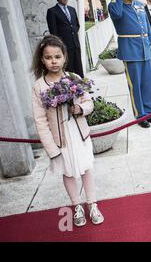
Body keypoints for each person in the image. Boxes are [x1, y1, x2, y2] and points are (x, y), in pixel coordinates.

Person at [31, 35, 104, 227]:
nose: (53, 61)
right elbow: (40, 120)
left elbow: (89, 102)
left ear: (64, 57)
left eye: (57, 56)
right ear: (42, 59)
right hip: (60, 139)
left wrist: (80, 109)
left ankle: (92, 203)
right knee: (69, 172)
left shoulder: (74, 79)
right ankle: (76, 204)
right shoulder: (39, 86)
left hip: (78, 133)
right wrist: (51, 148)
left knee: (86, 167)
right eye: (48, 57)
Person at [108, 0, 151, 128]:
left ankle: (149, 113)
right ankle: (140, 115)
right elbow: (117, 15)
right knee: (135, 85)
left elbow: (147, 25)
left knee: (146, 83)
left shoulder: (138, 5)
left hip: (144, 48)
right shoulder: (115, 6)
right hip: (130, 50)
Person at [46, 0, 84, 78]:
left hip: (75, 43)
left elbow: (76, 25)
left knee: (79, 66)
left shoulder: (72, 9)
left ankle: (82, 86)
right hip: (64, 45)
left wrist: (72, 34)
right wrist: (60, 43)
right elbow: (53, 31)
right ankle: (71, 89)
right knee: (68, 68)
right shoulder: (52, 11)